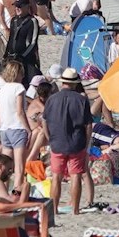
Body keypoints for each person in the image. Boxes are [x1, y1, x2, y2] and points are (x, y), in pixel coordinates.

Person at [45, 69, 96, 214]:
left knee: (56, 176)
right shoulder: (81, 100)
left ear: (63, 82)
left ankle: (54, 209)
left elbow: (44, 121)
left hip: (57, 142)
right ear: (74, 84)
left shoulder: (52, 99)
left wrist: (49, 138)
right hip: (76, 142)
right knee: (76, 176)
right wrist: (86, 143)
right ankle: (75, 209)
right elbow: (88, 125)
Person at [0, 60, 31, 192]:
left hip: (5, 129)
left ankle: (2, 192)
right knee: (19, 167)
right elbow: (20, 111)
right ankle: (17, 193)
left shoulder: (2, 90)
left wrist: (1, 128)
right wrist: (28, 129)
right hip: (17, 128)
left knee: (5, 166)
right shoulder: (19, 88)